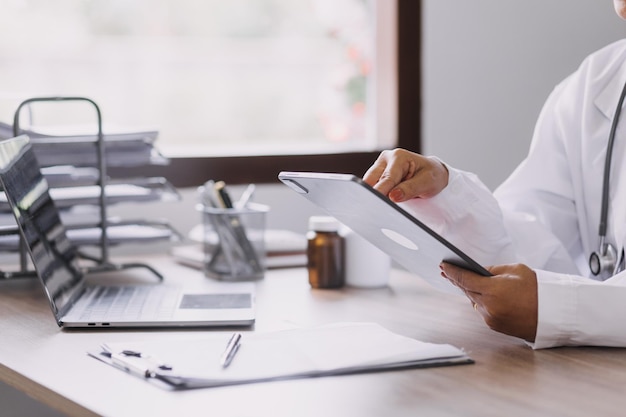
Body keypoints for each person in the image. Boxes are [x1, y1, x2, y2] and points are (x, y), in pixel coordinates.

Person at [363, 1, 626, 349]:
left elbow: (550, 301)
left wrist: (565, 309)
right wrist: (448, 195)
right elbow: (534, 248)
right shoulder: (594, 84)